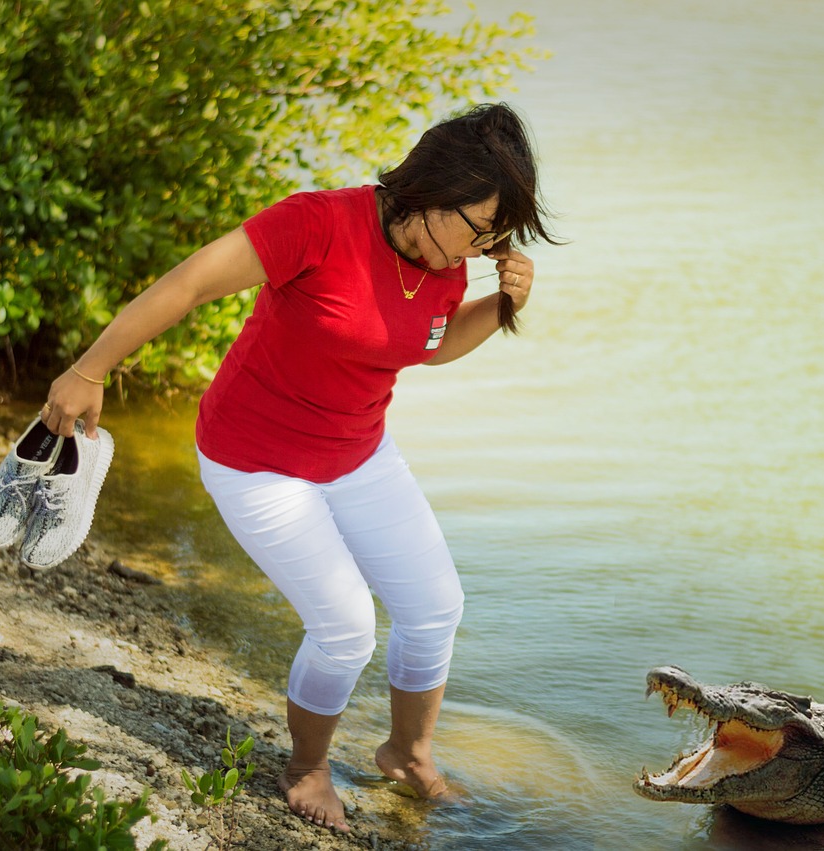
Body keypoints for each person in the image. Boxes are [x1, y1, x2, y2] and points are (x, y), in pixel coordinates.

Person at [39, 102, 557, 833]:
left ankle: (407, 754)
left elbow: (432, 345)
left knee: (436, 605)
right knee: (346, 625)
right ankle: (306, 768)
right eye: (481, 228)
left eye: (498, 237)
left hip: (358, 450)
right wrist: (89, 368)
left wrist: (500, 303)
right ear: (432, 193)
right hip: (256, 460)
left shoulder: (443, 263)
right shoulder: (317, 222)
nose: (484, 248)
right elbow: (188, 283)